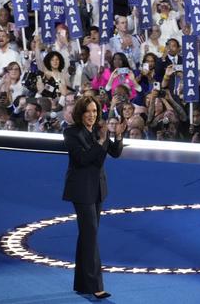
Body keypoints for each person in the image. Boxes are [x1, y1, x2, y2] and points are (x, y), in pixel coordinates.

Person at [62, 96, 126, 299]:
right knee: (90, 236)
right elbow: (82, 159)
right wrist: (100, 141)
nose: (92, 115)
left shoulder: (99, 131)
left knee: (87, 236)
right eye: (88, 111)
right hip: (81, 190)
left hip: (98, 189)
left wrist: (117, 136)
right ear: (80, 112)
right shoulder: (71, 133)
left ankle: (82, 283)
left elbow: (115, 153)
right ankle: (95, 285)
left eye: (95, 111)